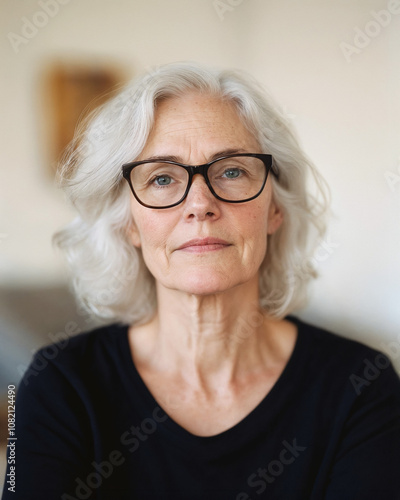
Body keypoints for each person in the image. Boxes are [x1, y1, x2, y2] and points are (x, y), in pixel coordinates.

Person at [2, 62, 400, 500]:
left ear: (275, 209)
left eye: (231, 171)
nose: (199, 204)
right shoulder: (57, 384)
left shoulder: (362, 385)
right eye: (162, 178)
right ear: (129, 224)